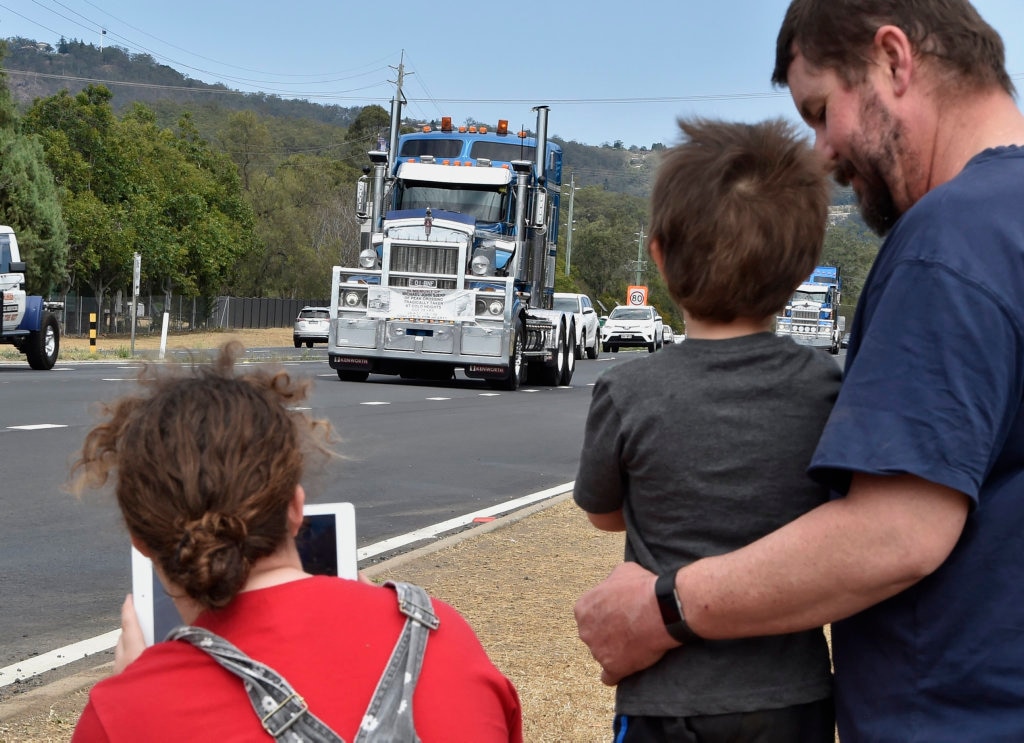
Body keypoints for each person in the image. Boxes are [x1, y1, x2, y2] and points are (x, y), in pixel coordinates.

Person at [574, 1, 1024, 740]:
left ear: (892, 58)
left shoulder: (950, 243)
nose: (819, 152)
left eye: (821, 110)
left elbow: (897, 533)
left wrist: (661, 607)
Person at [68, 342, 522, 742]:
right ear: (295, 507)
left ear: (140, 540)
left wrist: (138, 695)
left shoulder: (126, 714)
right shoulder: (443, 636)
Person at [574, 117, 840, 742]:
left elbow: (603, 515)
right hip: (793, 697)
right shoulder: (827, 388)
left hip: (667, 699)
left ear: (659, 255)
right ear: (801, 268)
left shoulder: (626, 389)